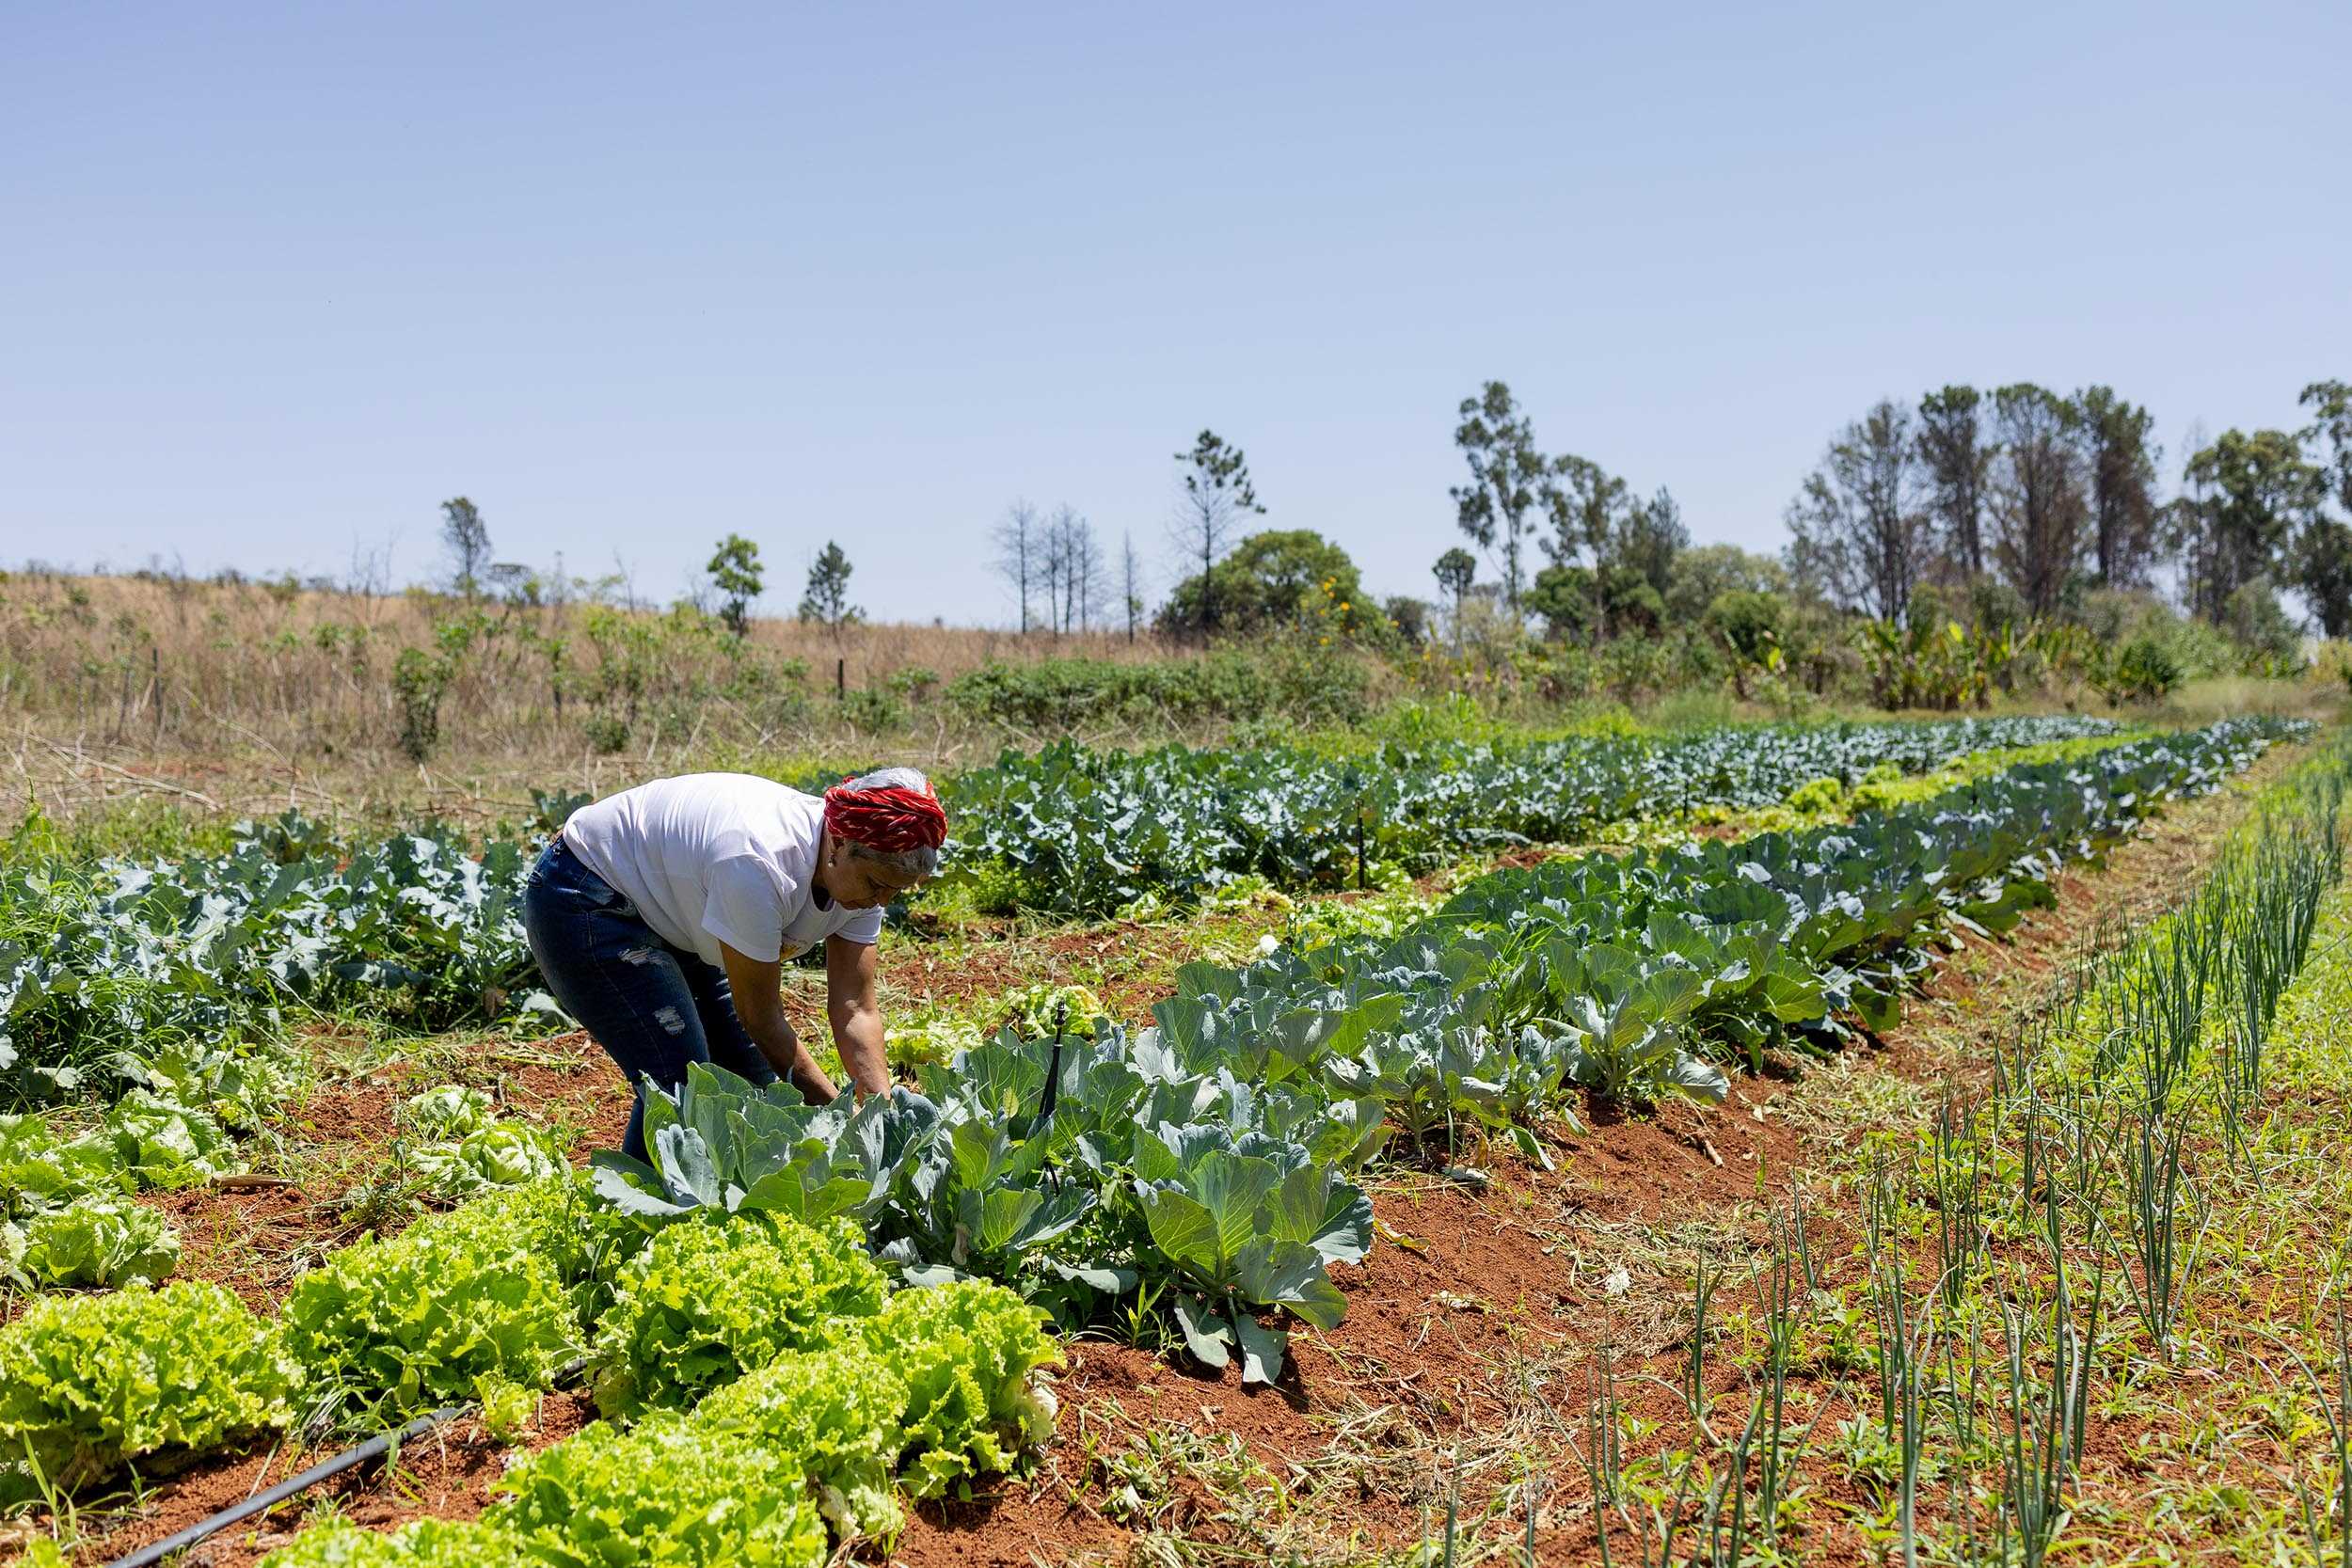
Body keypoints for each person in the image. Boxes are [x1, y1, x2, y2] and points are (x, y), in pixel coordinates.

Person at [521, 765, 944, 1160]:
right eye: (876, 885)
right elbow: (760, 1017)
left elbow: (855, 1006)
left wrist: (881, 1120)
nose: (881, 902)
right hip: (587, 893)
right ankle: (621, 1220)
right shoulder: (759, 862)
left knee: (753, 1081)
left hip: (679, 909)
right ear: (838, 843)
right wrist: (838, 1115)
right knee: (680, 1085)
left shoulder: (869, 870)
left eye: (896, 892)